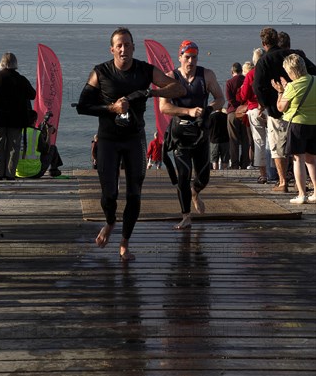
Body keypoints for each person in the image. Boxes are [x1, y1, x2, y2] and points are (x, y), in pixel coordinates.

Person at [76, 27, 185, 261]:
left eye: (128, 44)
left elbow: (178, 87)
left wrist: (149, 93)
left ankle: (124, 243)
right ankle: (110, 222)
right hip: (107, 140)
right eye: (119, 45)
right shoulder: (100, 72)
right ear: (112, 49)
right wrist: (111, 108)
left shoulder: (145, 70)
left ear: (133, 47)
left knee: (134, 195)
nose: (124, 49)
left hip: (134, 139)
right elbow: (83, 107)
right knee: (109, 195)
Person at [159, 40, 224, 229]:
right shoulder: (170, 77)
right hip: (180, 136)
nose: (190, 61)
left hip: (201, 134)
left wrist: (207, 109)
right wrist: (188, 111)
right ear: (179, 57)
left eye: (194, 57)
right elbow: (164, 107)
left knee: (204, 178)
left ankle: (195, 192)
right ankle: (186, 215)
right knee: (183, 176)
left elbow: (220, 99)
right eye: (187, 57)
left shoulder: (207, 75)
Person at [253, 28, 316, 193]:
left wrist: (268, 105)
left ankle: (283, 182)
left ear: (264, 43)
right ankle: (301, 183)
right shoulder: (297, 56)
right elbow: (313, 72)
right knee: (305, 153)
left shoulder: (264, 61)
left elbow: (258, 87)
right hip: (302, 112)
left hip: (278, 109)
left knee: (278, 148)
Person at [272, 54, 316, 204]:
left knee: (298, 159)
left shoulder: (293, 86)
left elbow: (280, 107)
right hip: (314, 124)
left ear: (291, 71)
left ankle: (302, 194)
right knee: (312, 159)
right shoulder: (315, 80)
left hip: (297, 125)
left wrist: (280, 91)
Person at [0, 52, 36, 180]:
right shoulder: (21, 79)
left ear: (2, 63)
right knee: (14, 147)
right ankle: (10, 174)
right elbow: (33, 95)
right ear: (15, 64)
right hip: (16, 119)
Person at [239, 48, 268, 184]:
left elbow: (244, 95)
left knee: (259, 142)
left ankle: (264, 174)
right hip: (271, 109)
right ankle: (277, 172)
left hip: (255, 109)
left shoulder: (251, 74)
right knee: (273, 141)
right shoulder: (271, 71)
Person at [15, 110, 63, 178]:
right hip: (35, 173)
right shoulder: (36, 133)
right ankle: (54, 171)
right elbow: (46, 150)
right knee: (53, 148)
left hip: (17, 173)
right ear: (35, 121)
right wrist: (48, 133)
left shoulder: (16, 132)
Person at [226, 62, 249, 169]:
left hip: (232, 113)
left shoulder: (229, 82)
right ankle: (245, 163)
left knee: (233, 139)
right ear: (241, 70)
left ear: (232, 72)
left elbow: (229, 98)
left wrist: (236, 106)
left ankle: (234, 164)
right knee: (245, 139)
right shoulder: (246, 80)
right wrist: (242, 106)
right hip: (245, 112)